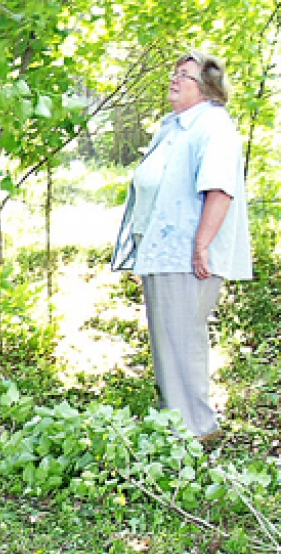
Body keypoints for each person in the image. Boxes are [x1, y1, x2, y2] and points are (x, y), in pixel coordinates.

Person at [110, 51, 253, 441]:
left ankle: (199, 431)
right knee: (167, 340)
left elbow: (219, 190)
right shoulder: (175, 126)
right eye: (175, 73)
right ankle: (176, 424)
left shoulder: (214, 126)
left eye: (185, 76)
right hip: (163, 250)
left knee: (182, 339)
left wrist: (201, 246)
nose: (174, 80)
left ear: (206, 88)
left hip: (187, 254)